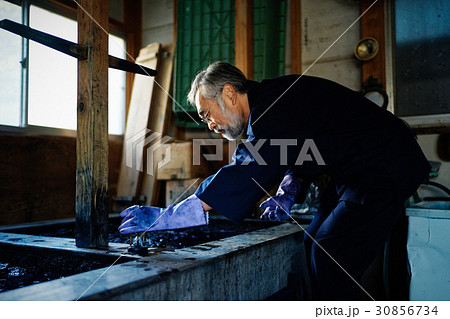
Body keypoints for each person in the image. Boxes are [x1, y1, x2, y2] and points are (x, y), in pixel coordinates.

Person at [119, 61, 430, 300]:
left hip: (384, 164)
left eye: (206, 113)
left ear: (229, 92)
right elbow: (304, 147)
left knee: (330, 250)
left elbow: (248, 167)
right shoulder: (271, 104)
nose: (210, 124)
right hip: (359, 169)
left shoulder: (270, 109)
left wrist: (174, 213)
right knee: (313, 241)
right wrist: (287, 190)